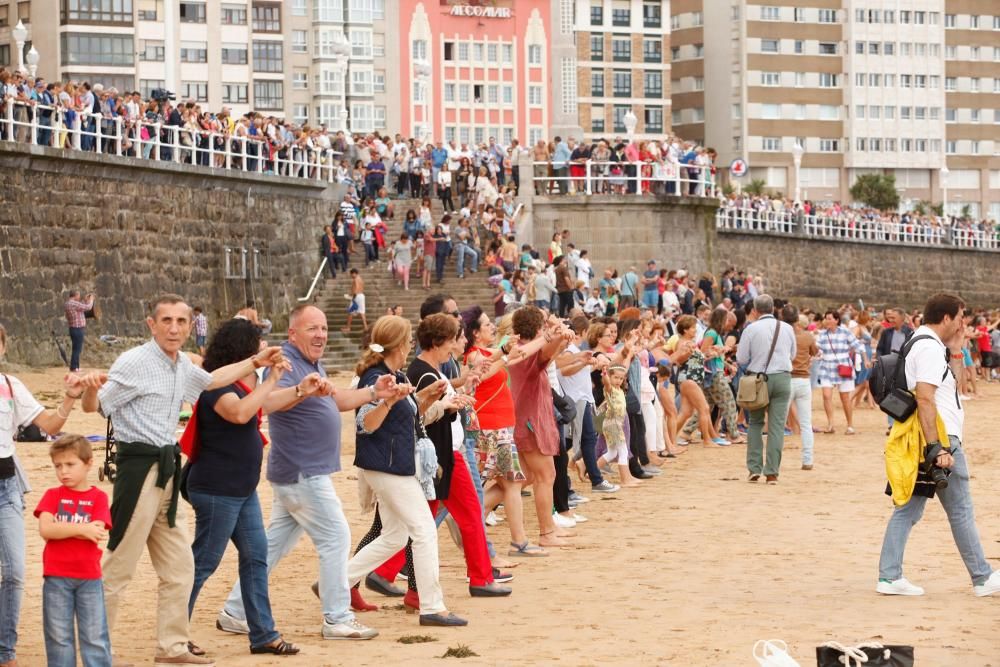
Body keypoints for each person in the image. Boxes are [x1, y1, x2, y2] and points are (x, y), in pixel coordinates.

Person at [77, 294, 286, 666]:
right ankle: (96, 650)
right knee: (120, 565)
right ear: (151, 324)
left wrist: (256, 361)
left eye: (181, 322)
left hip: (169, 470)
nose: (174, 328)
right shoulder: (135, 361)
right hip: (139, 469)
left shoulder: (180, 365)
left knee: (180, 567)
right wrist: (90, 387)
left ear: (190, 326)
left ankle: (172, 647)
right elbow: (98, 407)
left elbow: (211, 379)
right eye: (167, 321)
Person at [217, 305, 396, 641]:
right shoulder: (285, 360)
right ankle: (337, 618)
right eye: (312, 328)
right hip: (302, 470)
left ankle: (235, 611)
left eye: (324, 328)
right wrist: (301, 390)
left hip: (300, 471)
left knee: (270, 548)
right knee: (336, 537)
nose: (321, 335)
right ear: (293, 333)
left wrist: (375, 393)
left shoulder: (310, 362)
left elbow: (336, 400)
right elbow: (266, 402)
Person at [183, 319, 299, 656]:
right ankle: (175, 633)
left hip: (240, 489)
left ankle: (263, 633)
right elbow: (240, 413)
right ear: (243, 349)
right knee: (203, 561)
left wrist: (300, 390)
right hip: (218, 488)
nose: (264, 347)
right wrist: (273, 377)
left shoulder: (239, 383)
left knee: (255, 557)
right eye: (258, 343)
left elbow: (263, 404)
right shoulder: (217, 385)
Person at [345, 315, 469, 626]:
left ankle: (337, 583)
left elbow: (409, 417)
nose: (412, 344)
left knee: (396, 535)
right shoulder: (376, 377)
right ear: (399, 345)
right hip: (387, 466)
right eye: (409, 340)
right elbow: (366, 424)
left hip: (393, 464)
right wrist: (388, 402)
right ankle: (431, 606)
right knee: (424, 531)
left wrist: (426, 398)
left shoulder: (392, 372)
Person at [877, 293, 1000, 598]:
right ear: (946, 317)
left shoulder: (920, 341)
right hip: (940, 438)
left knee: (908, 509)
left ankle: (890, 576)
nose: (962, 323)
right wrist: (937, 447)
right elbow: (925, 397)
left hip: (924, 436)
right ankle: (983, 577)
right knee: (960, 509)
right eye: (960, 317)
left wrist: (957, 352)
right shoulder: (930, 348)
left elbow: (948, 390)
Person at [0, 323, 86, 667]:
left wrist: (69, 397)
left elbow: (49, 426)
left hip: (5, 487)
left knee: (15, 572)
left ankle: (5, 651)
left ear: (3, 348)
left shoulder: (10, 386)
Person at [34, 435, 113, 667]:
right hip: (56, 577)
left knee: (95, 637)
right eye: (58, 466)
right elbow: (46, 529)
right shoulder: (52, 495)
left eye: (70, 464)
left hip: (89, 577)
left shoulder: (99, 497)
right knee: (58, 638)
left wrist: (64, 529)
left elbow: (97, 532)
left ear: (88, 463)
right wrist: (82, 528)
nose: (63, 472)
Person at [507, 307, 574, 548]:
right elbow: (547, 352)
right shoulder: (528, 351)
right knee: (546, 475)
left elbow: (549, 353)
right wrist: (557, 330)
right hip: (530, 420)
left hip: (526, 417)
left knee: (521, 478)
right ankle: (546, 532)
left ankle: (481, 507)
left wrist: (558, 335)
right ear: (538, 327)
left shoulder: (522, 349)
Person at [736, 294, 796, 484]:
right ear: (774, 309)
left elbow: (741, 358)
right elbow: (792, 354)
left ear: (755, 310)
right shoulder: (786, 328)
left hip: (758, 378)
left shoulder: (751, 329)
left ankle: (754, 468)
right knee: (777, 426)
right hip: (783, 377)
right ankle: (772, 472)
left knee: (755, 423)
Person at [816, 310, 869, 435]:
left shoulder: (845, 332)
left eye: (830, 318)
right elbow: (816, 349)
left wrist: (865, 359)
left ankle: (850, 425)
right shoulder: (822, 334)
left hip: (843, 366)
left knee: (845, 398)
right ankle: (830, 424)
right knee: (826, 395)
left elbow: (858, 346)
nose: (827, 321)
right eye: (826, 318)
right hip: (826, 366)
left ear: (836, 320)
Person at [784, 307, 819, 470]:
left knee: (778, 421)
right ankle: (807, 460)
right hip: (804, 380)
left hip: (788, 378)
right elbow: (815, 352)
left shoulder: (786, 336)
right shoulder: (808, 336)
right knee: (806, 424)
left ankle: (774, 459)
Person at [597, 365, 638, 487]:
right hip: (613, 423)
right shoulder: (610, 390)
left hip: (614, 424)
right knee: (623, 451)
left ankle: (592, 470)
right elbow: (607, 384)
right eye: (615, 377)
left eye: (621, 378)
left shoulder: (620, 390)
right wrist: (604, 375)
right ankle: (625, 479)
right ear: (610, 377)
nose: (618, 380)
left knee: (612, 452)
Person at [65, 290, 95, 371]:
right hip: (77, 328)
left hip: (73, 328)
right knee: (77, 349)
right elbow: (88, 307)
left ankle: (76, 367)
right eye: (78, 295)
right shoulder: (73, 303)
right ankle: (74, 367)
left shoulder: (68, 303)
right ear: (75, 295)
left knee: (76, 348)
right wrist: (91, 300)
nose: (79, 297)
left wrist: (85, 300)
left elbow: (80, 306)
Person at [342, 269, 368, 334]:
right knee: (362, 312)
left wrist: (352, 297)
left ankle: (348, 327)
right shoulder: (361, 279)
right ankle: (366, 328)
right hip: (361, 296)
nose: (351, 276)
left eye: (351, 274)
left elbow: (356, 288)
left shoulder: (356, 279)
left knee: (350, 312)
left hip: (357, 296)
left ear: (354, 273)